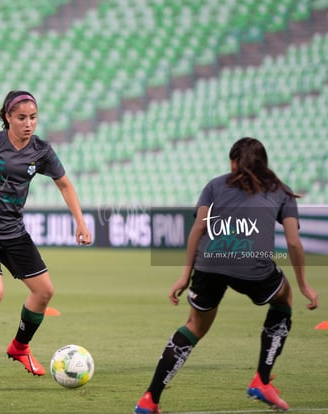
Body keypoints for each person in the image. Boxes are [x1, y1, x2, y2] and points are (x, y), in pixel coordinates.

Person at [134, 137, 319, 413]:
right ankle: (262, 379)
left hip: (209, 263)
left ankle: (150, 399)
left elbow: (198, 228)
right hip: (254, 269)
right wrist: (304, 284)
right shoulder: (280, 190)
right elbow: (293, 242)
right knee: (284, 297)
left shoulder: (215, 185)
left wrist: (185, 275)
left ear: (234, 162)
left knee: (195, 327)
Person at [0, 90, 92, 376]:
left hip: (13, 231)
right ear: (8, 118)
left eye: (33, 117)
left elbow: (64, 184)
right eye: (22, 118)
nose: (28, 123)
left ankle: (20, 347)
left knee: (44, 291)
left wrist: (81, 222)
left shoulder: (41, 151)